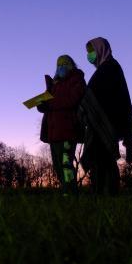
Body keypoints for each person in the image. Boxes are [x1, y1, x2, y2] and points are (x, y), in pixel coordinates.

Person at [80, 37, 132, 195]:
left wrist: (87, 106)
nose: (89, 55)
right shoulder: (104, 69)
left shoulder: (110, 68)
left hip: (105, 122)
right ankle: (102, 193)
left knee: (104, 159)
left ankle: (108, 193)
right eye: (88, 52)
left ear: (101, 49)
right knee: (100, 160)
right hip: (101, 122)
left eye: (91, 50)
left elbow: (111, 98)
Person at [37, 55, 86, 195]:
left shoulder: (77, 80)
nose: (61, 67)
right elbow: (48, 104)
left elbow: (72, 99)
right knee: (58, 165)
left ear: (71, 65)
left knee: (66, 164)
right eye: (59, 64)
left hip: (68, 131)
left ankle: (70, 193)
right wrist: (41, 104)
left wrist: (50, 103)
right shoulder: (55, 84)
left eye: (65, 63)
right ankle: (66, 190)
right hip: (53, 133)